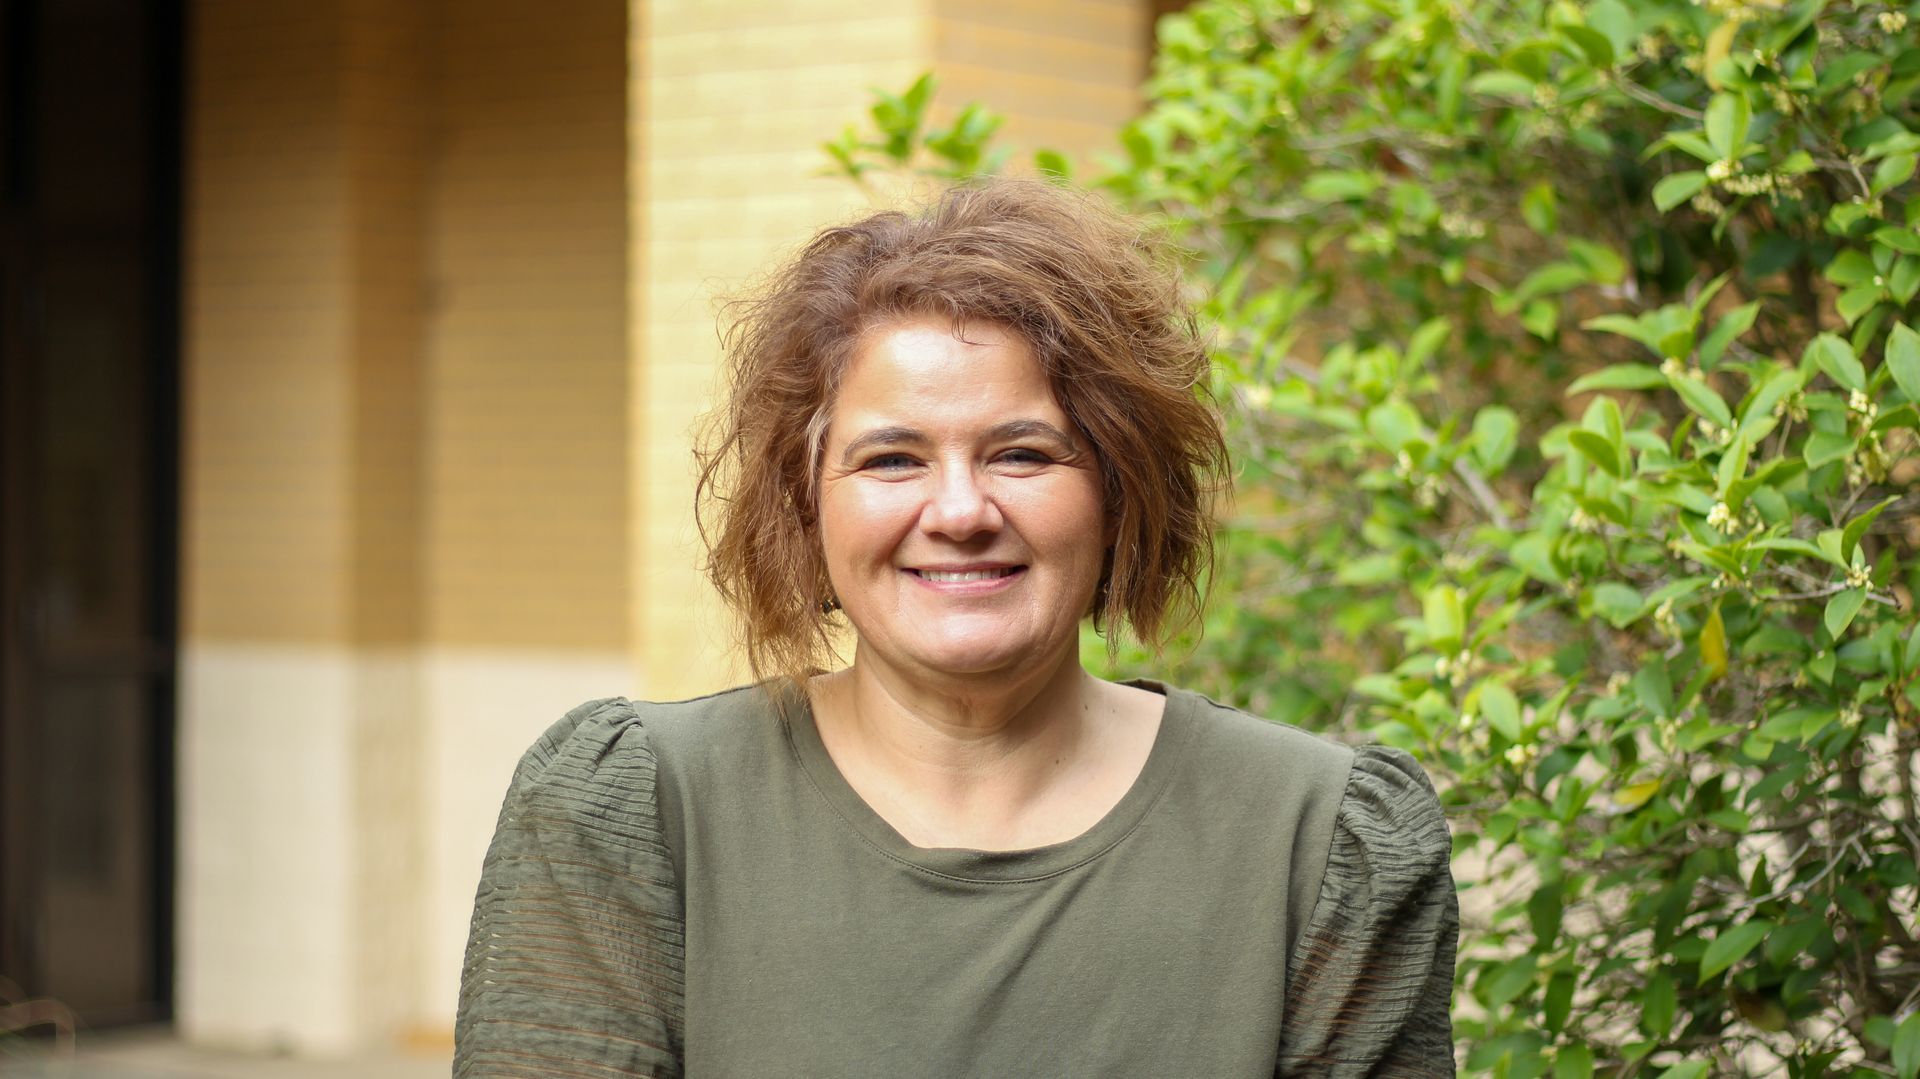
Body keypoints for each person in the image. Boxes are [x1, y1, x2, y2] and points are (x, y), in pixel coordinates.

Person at [454, 179, 1458, 1078]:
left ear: (1119, 491)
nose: (961, 509)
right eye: (892, 459)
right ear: (808, 505)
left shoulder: (1320, 840)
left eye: (1022, 451)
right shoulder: (637, 812)